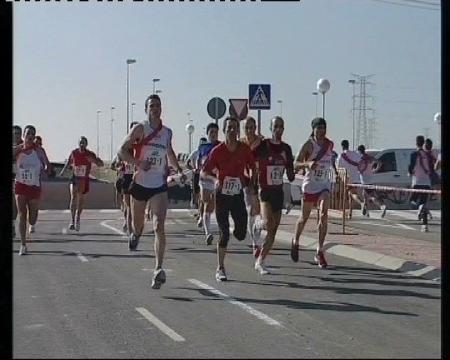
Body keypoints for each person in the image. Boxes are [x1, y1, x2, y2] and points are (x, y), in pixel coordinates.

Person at [118, 94, 185, 289]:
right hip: (140, 183)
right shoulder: (140, 129)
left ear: (161, 109)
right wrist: (138, 162)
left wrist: (177, 169)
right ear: (146, 109)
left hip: (158, 185)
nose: (155, 109)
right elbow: (122, 151)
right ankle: (136, 235)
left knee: (159, 226)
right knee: (138, 225)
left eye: (158, 106)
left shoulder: (167, 133)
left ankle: (158, 269)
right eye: (151, 106)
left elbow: (169, 152)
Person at [201, 116, 256, 281]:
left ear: (238, 131)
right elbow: (204, 172)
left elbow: (252, 167)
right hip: (222, 195)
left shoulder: (244, 149)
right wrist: (215, 180)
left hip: (237, 194)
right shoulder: (217, 151)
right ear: (224, 131)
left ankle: (235, 229)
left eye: (234, 128)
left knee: (240, 234)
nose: (232, 131)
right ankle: (220, 267)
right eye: (229, 128)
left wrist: (251, 183)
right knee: (224, 233)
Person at [291, 117, 338, 268]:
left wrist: (335, 175)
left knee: (324, 214)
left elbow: (330, 162)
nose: (321, 131)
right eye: (318, 128)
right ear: (313, 129)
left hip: (324, 184)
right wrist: (307, 163)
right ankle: (296, 241)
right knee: (304, 218)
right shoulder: (308, 145)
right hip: (310, 185)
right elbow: (295, 164)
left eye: (323, 128)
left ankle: (319, 250)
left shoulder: (329, 144)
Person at [253, 116, 294, 274]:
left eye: (281, 126)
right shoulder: (264, 145)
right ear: (271, 128)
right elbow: (250, 156)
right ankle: (257, 224)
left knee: (273, 231)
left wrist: (290, 165)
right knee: (267, 223)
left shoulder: (286, 149)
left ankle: (260, 261)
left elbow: (290, 175)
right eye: (275, 126)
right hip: (264, 190)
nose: (278, 129)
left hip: (278, 192)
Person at [14, 125, 51, 255]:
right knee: (22, 215)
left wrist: (46, 168)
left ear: (34, 137)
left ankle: (33, 223)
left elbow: (47, 164)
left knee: (32, 217)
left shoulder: (39, 150)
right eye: (28, 133)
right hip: (20, 185)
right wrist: (18, 149)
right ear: (23, 135)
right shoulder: (17, 150)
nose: (30, 136)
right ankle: (23, 245)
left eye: (32, 134)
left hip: (34, 186)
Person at [59, 136, 104, 232]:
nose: (82, 145)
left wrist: (94, 160)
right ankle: (72, 220)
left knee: (81, 200)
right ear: (78, 144)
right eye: (80, 143)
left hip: (84, 180)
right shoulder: (74, 153)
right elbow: (68, 162)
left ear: (86, 144)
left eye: (84, 143)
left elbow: (100, 164)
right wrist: (63, 171)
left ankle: (78, 218)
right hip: (75, 178)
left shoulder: (90, 154)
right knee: (73, 197)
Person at [240, 116, 264, 257]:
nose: (249, 130)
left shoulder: (261, 142)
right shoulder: (241, 144)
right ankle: (255, 243)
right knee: (250, 210)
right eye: (246, 128)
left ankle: (257, 237)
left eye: (251, 127)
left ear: (255, 128)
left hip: (259, 179)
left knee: (258, 211)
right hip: (246, 179)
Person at [197, 123, 221, 245]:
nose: (213, 134)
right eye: (211, 132)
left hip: (216, 179)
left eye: (215, 132)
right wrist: (198, 169)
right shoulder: (203, 147)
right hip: (205, 179)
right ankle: (208, 233)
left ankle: (213, 226)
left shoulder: (221, 146)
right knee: (206, 202)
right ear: (207, 133)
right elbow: (198, 160)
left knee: (213, 204)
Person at [408, 135, 432, 232]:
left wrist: (410, 172)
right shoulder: (427, 154)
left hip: (417, 182)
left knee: (411, 201)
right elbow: (431, 167)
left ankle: (419, 207)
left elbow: (411, 166)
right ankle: (424, 226)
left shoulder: (414, 154)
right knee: (424, 202)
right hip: (427, 182)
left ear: (416, 143)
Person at [357, 144, 387, 218]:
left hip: (365, 181)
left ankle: (382, 206)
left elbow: (359, 168)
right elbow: (379, 162)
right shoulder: (369, 158)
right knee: (365, 196)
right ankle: (366, 212)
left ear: (359, 151)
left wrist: (360, 171)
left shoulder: (360, 159)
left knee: (371, 197)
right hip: (370, 179)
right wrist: (375, 170)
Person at [337, 139, 364, 218]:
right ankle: (350, 213)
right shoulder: (355, 154)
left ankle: (361, 203)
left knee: (352, 194)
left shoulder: (341, 156)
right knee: (350, 195)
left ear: (342, 146)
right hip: (356, 177)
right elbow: (361, 161)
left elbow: (339, 167)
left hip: (347, 178)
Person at [186, 137, 207, 217]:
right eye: (201, 143)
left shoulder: (207, 152)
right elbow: (187, 163)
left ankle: (201, 212)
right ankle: (199, 211)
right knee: (197, 193)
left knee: (203, 193)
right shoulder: (195, 152)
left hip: (204, 174)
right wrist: (193, 169)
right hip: (197, 174)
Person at [12, 125, 24, 238]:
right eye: (14, 133)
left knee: (14, 203)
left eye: (18, 133)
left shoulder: (25, 146)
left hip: (18, 177)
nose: (16, 135)